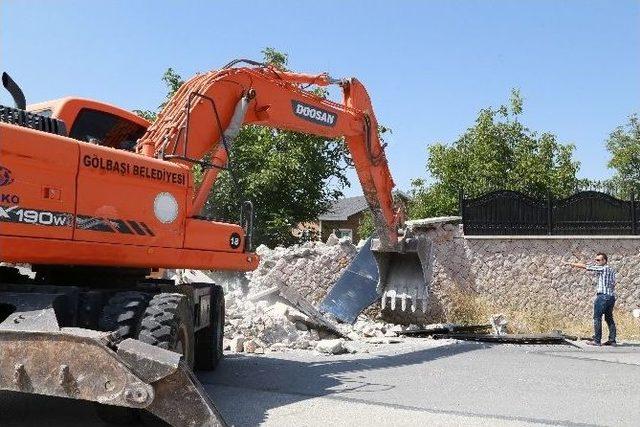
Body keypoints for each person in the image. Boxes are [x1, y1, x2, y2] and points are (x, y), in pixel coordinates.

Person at [563, 252, 616, 346]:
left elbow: (586, 266)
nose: (597, 262)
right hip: (611, 297)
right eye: (596, 260)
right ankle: (612, 340)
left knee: (597, 318)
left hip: (602, 296)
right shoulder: (611, 270)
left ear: (604, 260)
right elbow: (613, 283)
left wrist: (570, 263)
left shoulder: (602, 268)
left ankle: (597, 340)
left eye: (598, 260)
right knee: (609, 318)